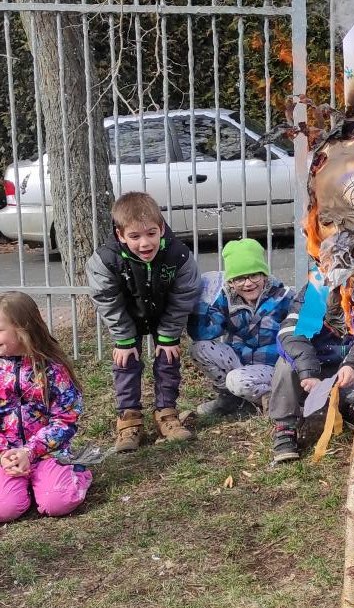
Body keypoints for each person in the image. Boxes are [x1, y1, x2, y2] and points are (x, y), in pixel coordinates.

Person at [87, 192, 202, 452]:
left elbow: (185, 294)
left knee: (169, 359)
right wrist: (124, 339)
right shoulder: (105, 260)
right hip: (127, 315)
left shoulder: (179, 255)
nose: (145, 243)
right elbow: (106, 299)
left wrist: (169, 335)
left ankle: (167, 414)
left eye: (151, 233)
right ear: (120, 235)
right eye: (135, 236)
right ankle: (129, 420)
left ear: (161, 227)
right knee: (125, 362)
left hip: (164, 312)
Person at [269, 283, 354, 464]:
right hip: (316, 368)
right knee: (285, 365)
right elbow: (290, 333)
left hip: (349, 370)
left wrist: (352, 364)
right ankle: (285, 425)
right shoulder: (314, 292)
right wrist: (308, 372)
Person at [0, 292, 92, 523]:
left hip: (47, 453)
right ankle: (24, 487)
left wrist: (29, 451)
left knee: (58, 502)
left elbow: (66, 418)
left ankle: (76, 473)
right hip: (6, 456)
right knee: (4, 509)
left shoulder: (52, 369)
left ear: (23, 330)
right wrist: (4, 454)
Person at [188, 239, 292, 417]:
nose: (248, 283)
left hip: (272, 368)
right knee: (199, 348)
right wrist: (202, 305)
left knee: (237, 380)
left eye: (254, 275)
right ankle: (231, 399)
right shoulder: (227, 300)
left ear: (265, 275)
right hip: (240, 363)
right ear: (230, 282)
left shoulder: (283, 298)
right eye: (240, 278)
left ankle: (274, 400)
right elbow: (203, 334)